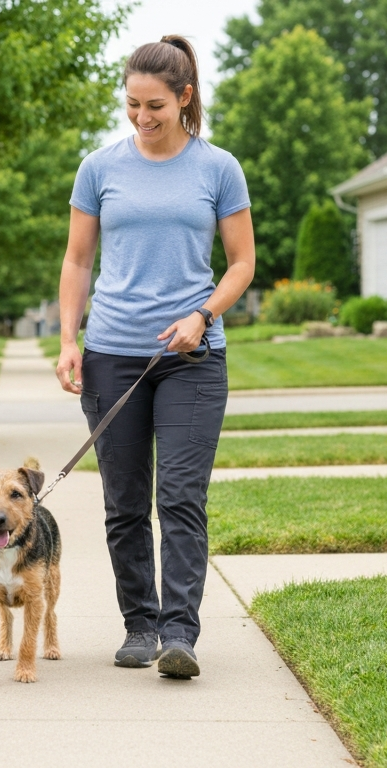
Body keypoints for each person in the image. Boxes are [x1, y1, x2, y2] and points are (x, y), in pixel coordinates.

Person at [56, 35, 255, 679]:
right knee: (124, 500)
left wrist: (204, 315)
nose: (143, 117)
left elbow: (242, 263)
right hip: (113, 351)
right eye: (133, 104)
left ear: (185, 98)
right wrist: (68, 339)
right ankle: (139, 626)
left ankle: (179, 634)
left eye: (156, 106)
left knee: (180, 496)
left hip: (193, 356)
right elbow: (78, 258)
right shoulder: (99, 167)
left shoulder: (218, 168)